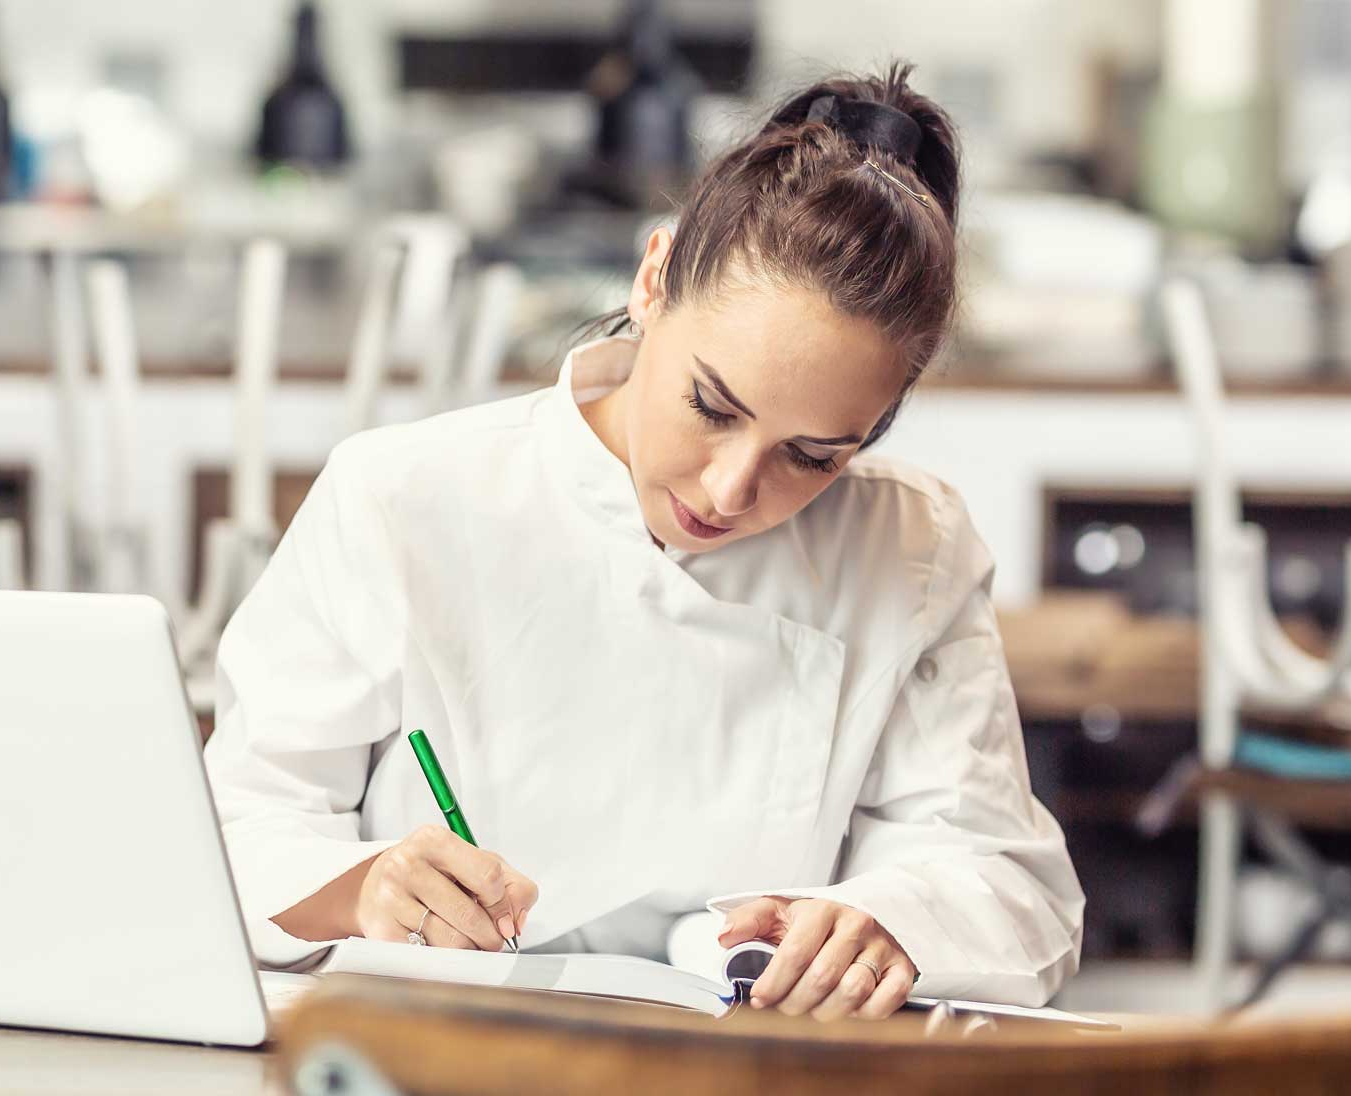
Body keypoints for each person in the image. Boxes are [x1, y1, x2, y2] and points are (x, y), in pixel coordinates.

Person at [203, 64, 1084, 1020]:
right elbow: (231, 829)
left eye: (814, 456)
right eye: (710, 406)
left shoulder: (910, 546)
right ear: (655, 277)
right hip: (435, 1053)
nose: (730, 488)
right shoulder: (403, 498)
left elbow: (1012, 886)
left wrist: (894, 919)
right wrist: (365, 884)